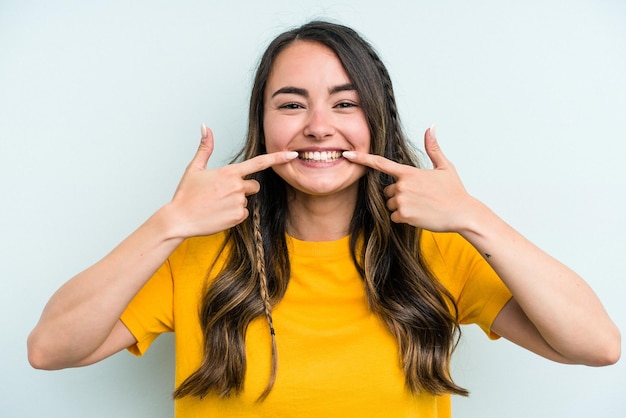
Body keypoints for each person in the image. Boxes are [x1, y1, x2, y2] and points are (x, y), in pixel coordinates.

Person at [28, 20, 620, 417]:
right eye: (291, 103)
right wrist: (169, 223)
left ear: (377, 120)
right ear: (262, 124)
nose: (318, 125)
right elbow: (50, 350)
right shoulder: (195, 253)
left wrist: (474, 218)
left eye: (345, 103)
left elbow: (596, 346)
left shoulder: (437, 254)